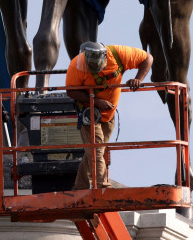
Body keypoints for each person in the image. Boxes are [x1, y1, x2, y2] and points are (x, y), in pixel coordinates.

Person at [65, 42, 153, 189]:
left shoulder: (118, 54)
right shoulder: (76, 65)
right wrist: (96, 102)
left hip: (109, 114)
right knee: (97, 149)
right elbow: (71, 91)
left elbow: (147, 58)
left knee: (93, 151)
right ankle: (103, 186)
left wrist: (138, 79)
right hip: (89, 111)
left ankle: (80, 187)